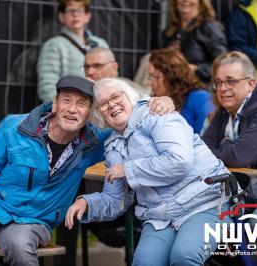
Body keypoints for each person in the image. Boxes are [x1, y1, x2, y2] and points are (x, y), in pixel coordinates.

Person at [0, 75, 172, 266]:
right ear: (55, 104)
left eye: (82, 104)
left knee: (19, 247)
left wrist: (156, 101)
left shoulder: (94, 142)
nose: (72, 109)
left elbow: (126, 118)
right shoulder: (15, 127)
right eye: (66, 100)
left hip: (34, 219)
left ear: (89, 113)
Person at [66, 78, 233, 266]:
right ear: (100, 115)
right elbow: (116, 200)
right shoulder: (113, 146)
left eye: (116, 97)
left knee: (184, 256)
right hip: (161, 216)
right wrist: (87, 203)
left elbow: (180, 160)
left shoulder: (158, 115)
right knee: (145, 262)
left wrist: (128, 170)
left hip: (205, 203)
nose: (112, 105)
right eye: (103, 104)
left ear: (130, 97)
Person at [202, 51, 257, 266]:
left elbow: (239, 157)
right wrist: (228, 149)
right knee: (210, 219)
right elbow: (203, 147)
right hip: (246, 193)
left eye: (230, 82)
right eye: (219, 83)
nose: (223, 89)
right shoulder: (228, 109)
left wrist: (224, 143)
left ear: (251, 84)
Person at [37, 0, 109, 103]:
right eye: (70, 11)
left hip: (102, 104)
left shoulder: (100, 44)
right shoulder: (54, 45)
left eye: (79, 10)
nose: (75, 15)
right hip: (73, 109)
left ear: (87, 16)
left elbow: (113, 76)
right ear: (61, 17)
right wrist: (65, 108)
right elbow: (47, 87)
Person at [158, 0, 228, 84]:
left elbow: (223, 64)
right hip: (172, 85)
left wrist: (196, 69)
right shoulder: (170, 31)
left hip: (200, 87)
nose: (185, 1)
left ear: (201, 2)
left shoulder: (210, 27)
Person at [148, 48, 214, 134]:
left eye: (155, 77)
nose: (150, 83)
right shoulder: (155, 101)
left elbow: (206, 140)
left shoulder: (201, 99)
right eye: (149, 77)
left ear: (171, 76)